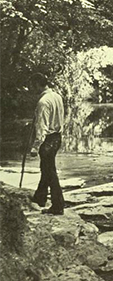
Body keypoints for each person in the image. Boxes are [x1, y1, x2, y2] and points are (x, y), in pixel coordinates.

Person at [29, 73, 65, 215]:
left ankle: (58, 205)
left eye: (33, 85)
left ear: (38, 84)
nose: (32, 88)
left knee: (50, 172)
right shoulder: (57, 96)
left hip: (48, 139)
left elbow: (42, 127)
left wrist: (35, 146)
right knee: (46, 168)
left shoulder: (43, 102)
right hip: (57, 137)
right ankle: (40, 197)